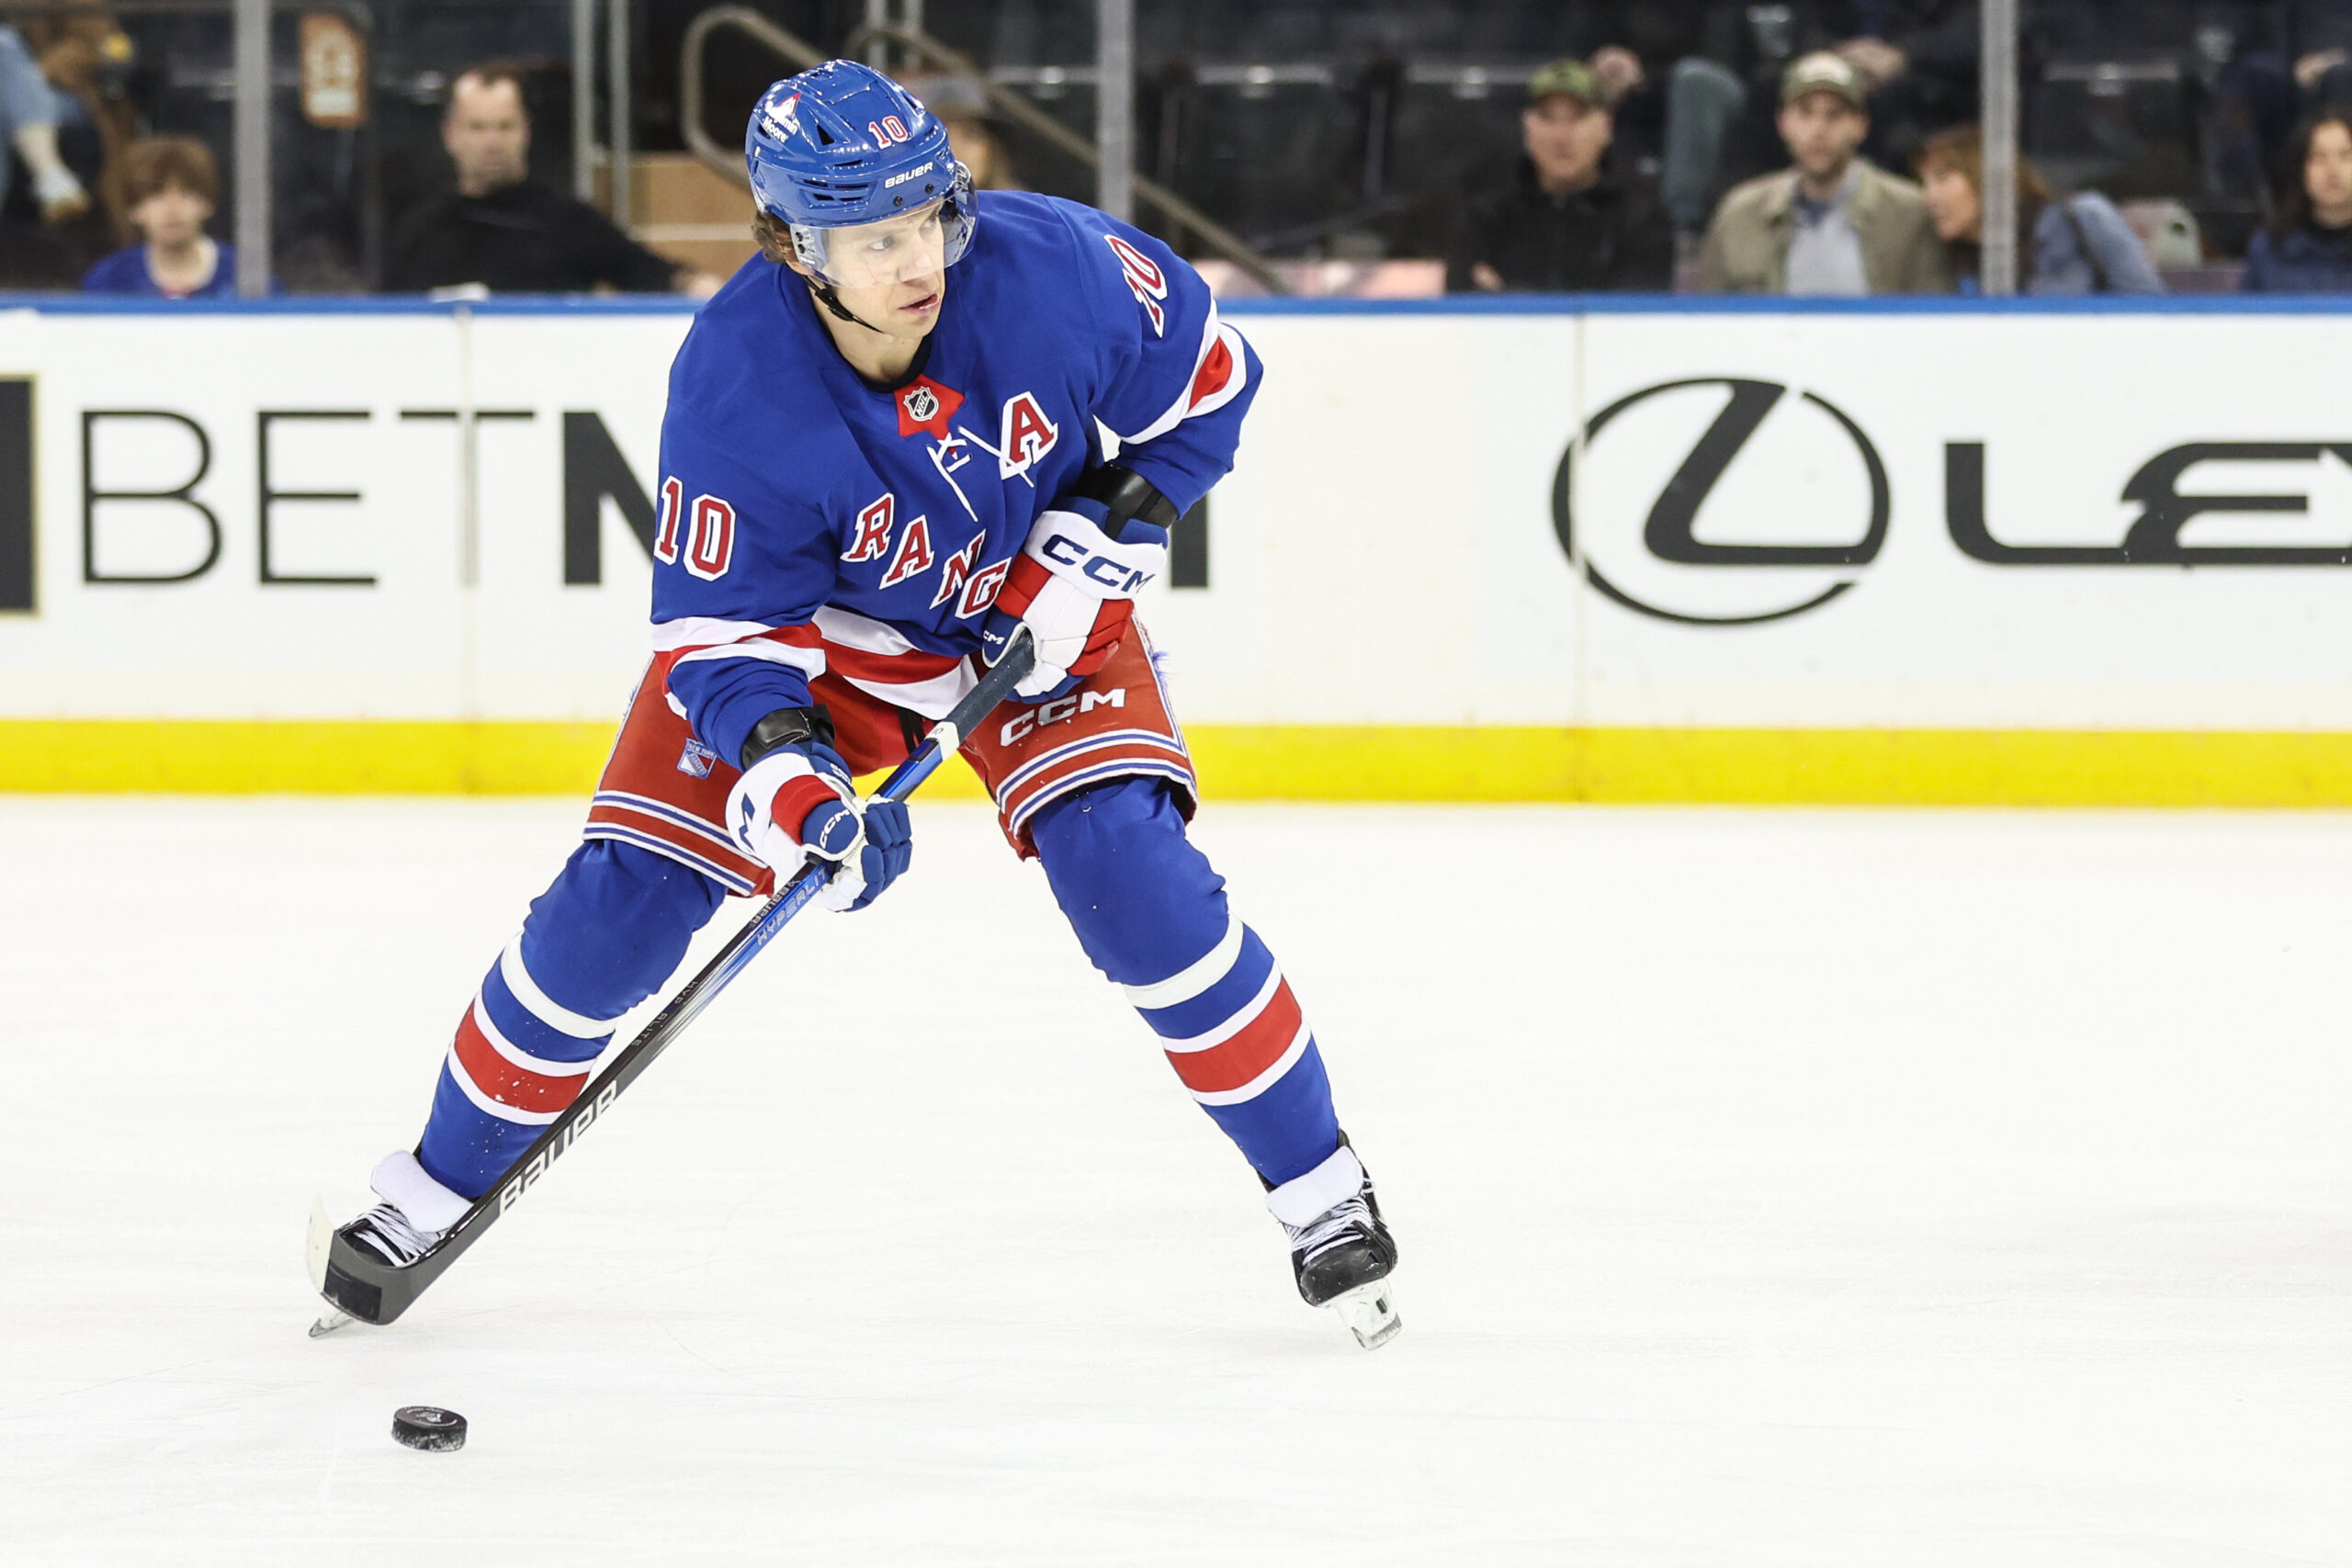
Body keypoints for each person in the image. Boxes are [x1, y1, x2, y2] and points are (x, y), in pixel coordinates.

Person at [321, 61, 1402, 1350]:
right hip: (821, 659)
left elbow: (1212, 390)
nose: (918, 260)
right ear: (793, 244)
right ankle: (433, 1185)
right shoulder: (736, 383)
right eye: (873, 237)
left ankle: (1323, 1189)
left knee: (1133, 875)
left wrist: (1109, 532)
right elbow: (724, 642)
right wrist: (791, 785)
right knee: (615, 909)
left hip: (1036, 615)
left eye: (931, 215)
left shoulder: (1056, 265)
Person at [386, 61, 720, 297]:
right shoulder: (421, 230)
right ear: (451, 135)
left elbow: (645, 271)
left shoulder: (566, 221)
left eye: (505, 126)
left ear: (525, 132)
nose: (492, 142)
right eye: (477, 127)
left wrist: (692, 284)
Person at [1697, 51, 1947, 295]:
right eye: (1805, 113)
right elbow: (1706, 321)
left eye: (1834, 114)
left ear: (1860, 126)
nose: (1819, 130)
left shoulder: (1906, 212)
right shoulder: (1740, 215)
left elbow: (1934, 320)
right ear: (1783, 123)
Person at [1446, 57, 1674, 293]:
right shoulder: (1486, 217)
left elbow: (1637, 318)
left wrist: (1506, 293)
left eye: (1577, 117)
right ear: (1527, 128)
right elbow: (1463, 310)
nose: (1561, 136)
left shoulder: (1642, 215)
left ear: (1606, 127)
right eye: (1547, 117)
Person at [1916, 124, 2164, 296]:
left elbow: (2151, 316)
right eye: (1924, 183)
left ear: (1985, 176)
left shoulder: (2084, 220)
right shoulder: (1945, 263)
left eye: (1943, 179)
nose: (1930, 196)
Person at [80, 137, 256, 299]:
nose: (172, 209)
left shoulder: (248, 276)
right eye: (156, 196)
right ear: (134, 209)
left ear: (207, 204)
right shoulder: (109, 280)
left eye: (186, 193)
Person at [2243, 108, 2352, 290]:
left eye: (2346, 156)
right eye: (2318, 157)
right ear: (2301, 169)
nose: (2332, 170)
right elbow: (2243, 315)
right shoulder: (2269, 249)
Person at [0, 23, 89, 223]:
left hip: (56, 95)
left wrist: (29, 77)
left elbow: (89, 40)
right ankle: (50, 174)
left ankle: (51, 177)